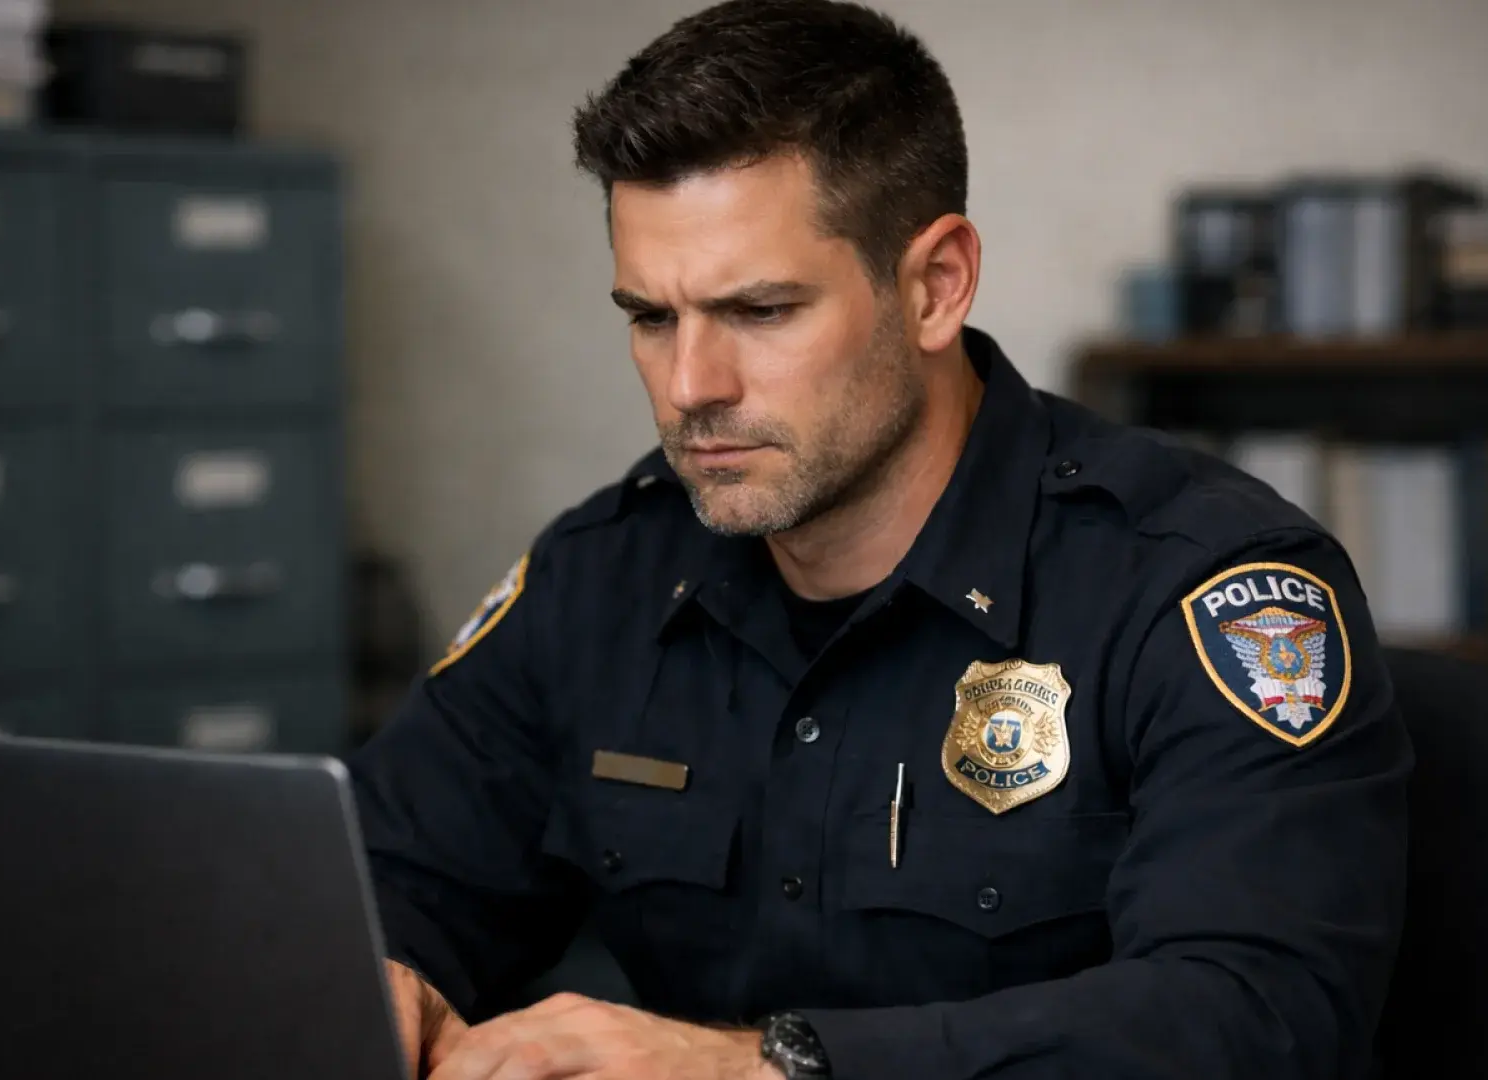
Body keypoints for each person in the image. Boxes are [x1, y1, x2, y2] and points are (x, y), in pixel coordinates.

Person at [349, 1, 1413, 1077]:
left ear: (935, 287)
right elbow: (394, 875)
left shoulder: (1197, 589)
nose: (690, 389)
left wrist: (760, 1070)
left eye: (760, 311)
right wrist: (373, 974)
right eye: (651, 317)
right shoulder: (604, 577)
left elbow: (1257, 1020)